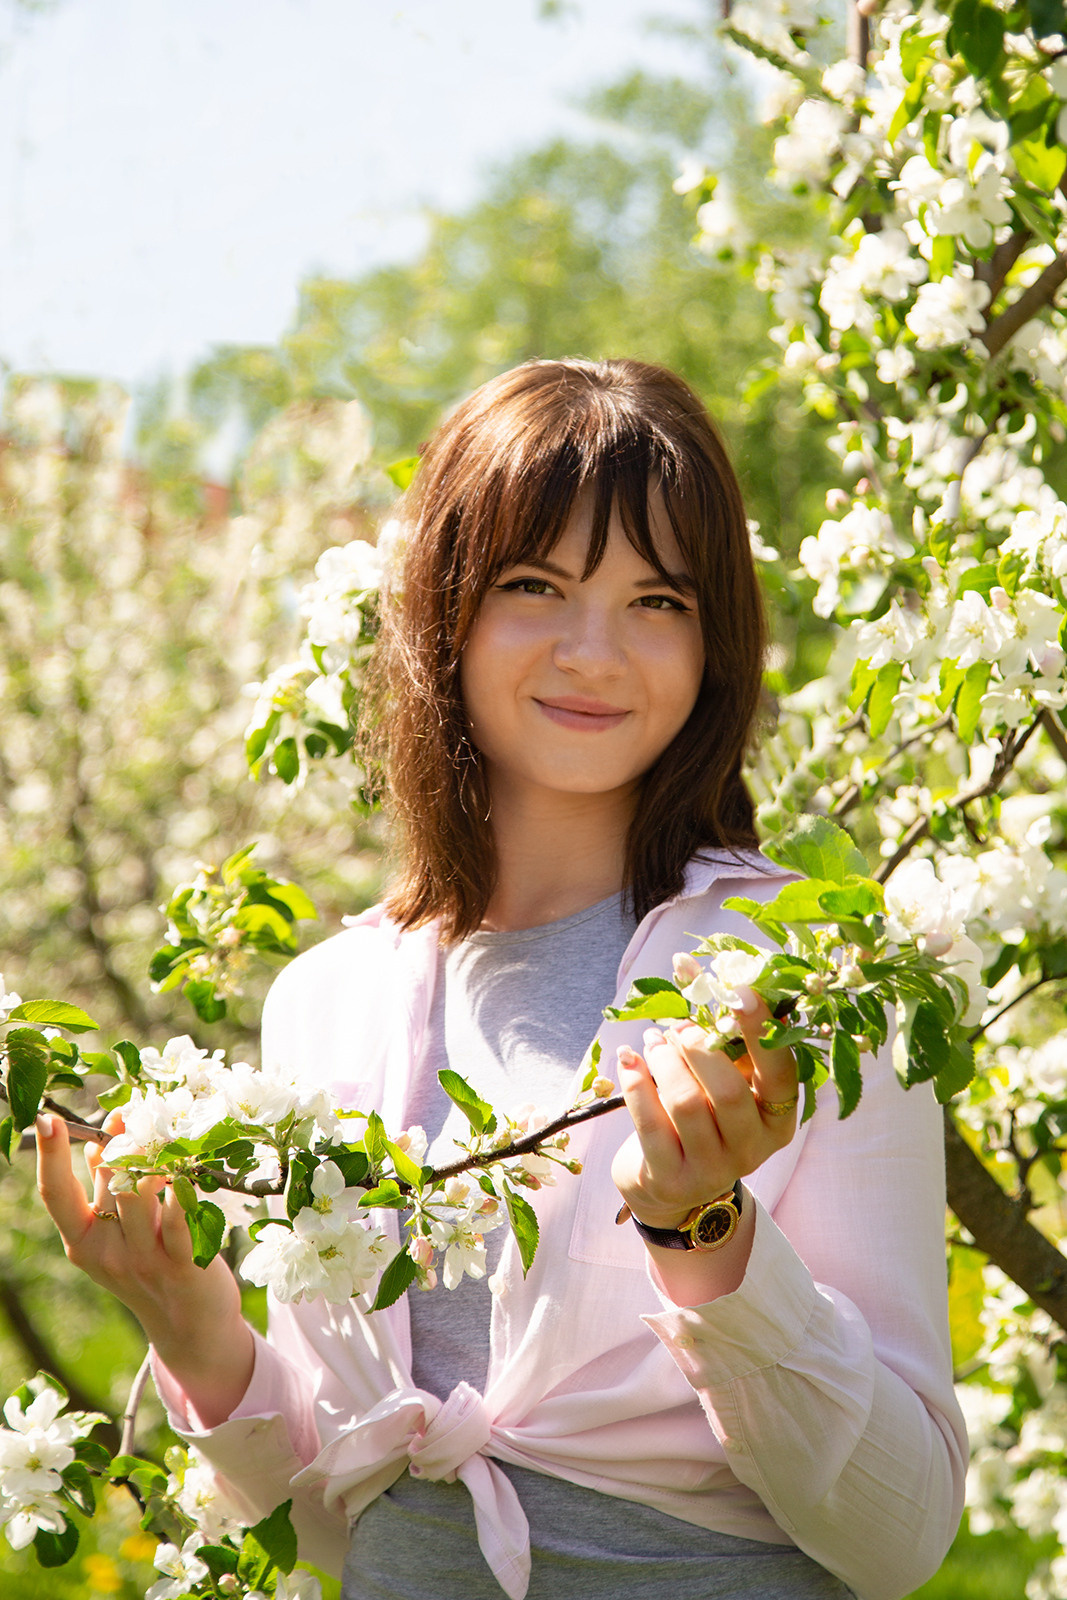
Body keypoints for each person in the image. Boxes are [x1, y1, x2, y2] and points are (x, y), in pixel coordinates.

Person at [37, 358, 967, 1600]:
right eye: (537, 587)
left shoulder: (801, 979)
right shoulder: (326, 1000)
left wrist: (705, 1234)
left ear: (714, 641)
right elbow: (330, 1523)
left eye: (657, 601)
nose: (595, 651)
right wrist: (191, 1326)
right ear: (443, 612)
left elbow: (898, 1534)